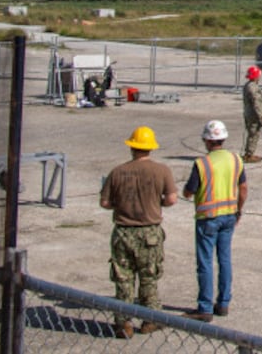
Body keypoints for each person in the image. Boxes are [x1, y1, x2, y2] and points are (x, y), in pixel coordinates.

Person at [99, 127, 178, 338]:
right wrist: (155, 202)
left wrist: (120, 204)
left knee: (123, 279)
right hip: (149, 232)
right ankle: (150, 319)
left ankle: (123, 323)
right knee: (148, 277)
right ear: (150, 148)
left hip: (123, 232)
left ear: (132, 147)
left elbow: (105, 202)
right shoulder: (162, 171)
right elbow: (171, 199)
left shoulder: (117, 172)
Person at [181, 120, 247, 323]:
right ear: (223, 139)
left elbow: (189, 192)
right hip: (229, 215)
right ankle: (224, 303)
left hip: (207, 218)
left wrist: (187, 192)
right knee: (225, 260)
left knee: (205, 263)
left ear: (207, 141)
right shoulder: (236, 159)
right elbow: (243, 188)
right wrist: (238, 210)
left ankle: (205, 307)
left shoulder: (202, 164)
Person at [241, 67, 262, 163]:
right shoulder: (253, 87)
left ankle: (249, 153)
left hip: (249, 113)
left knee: (252, 133)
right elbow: (256, 103)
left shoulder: (248, 85)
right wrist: (261, 116)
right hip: (253, 115)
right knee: (254, 134)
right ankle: (249, 154)